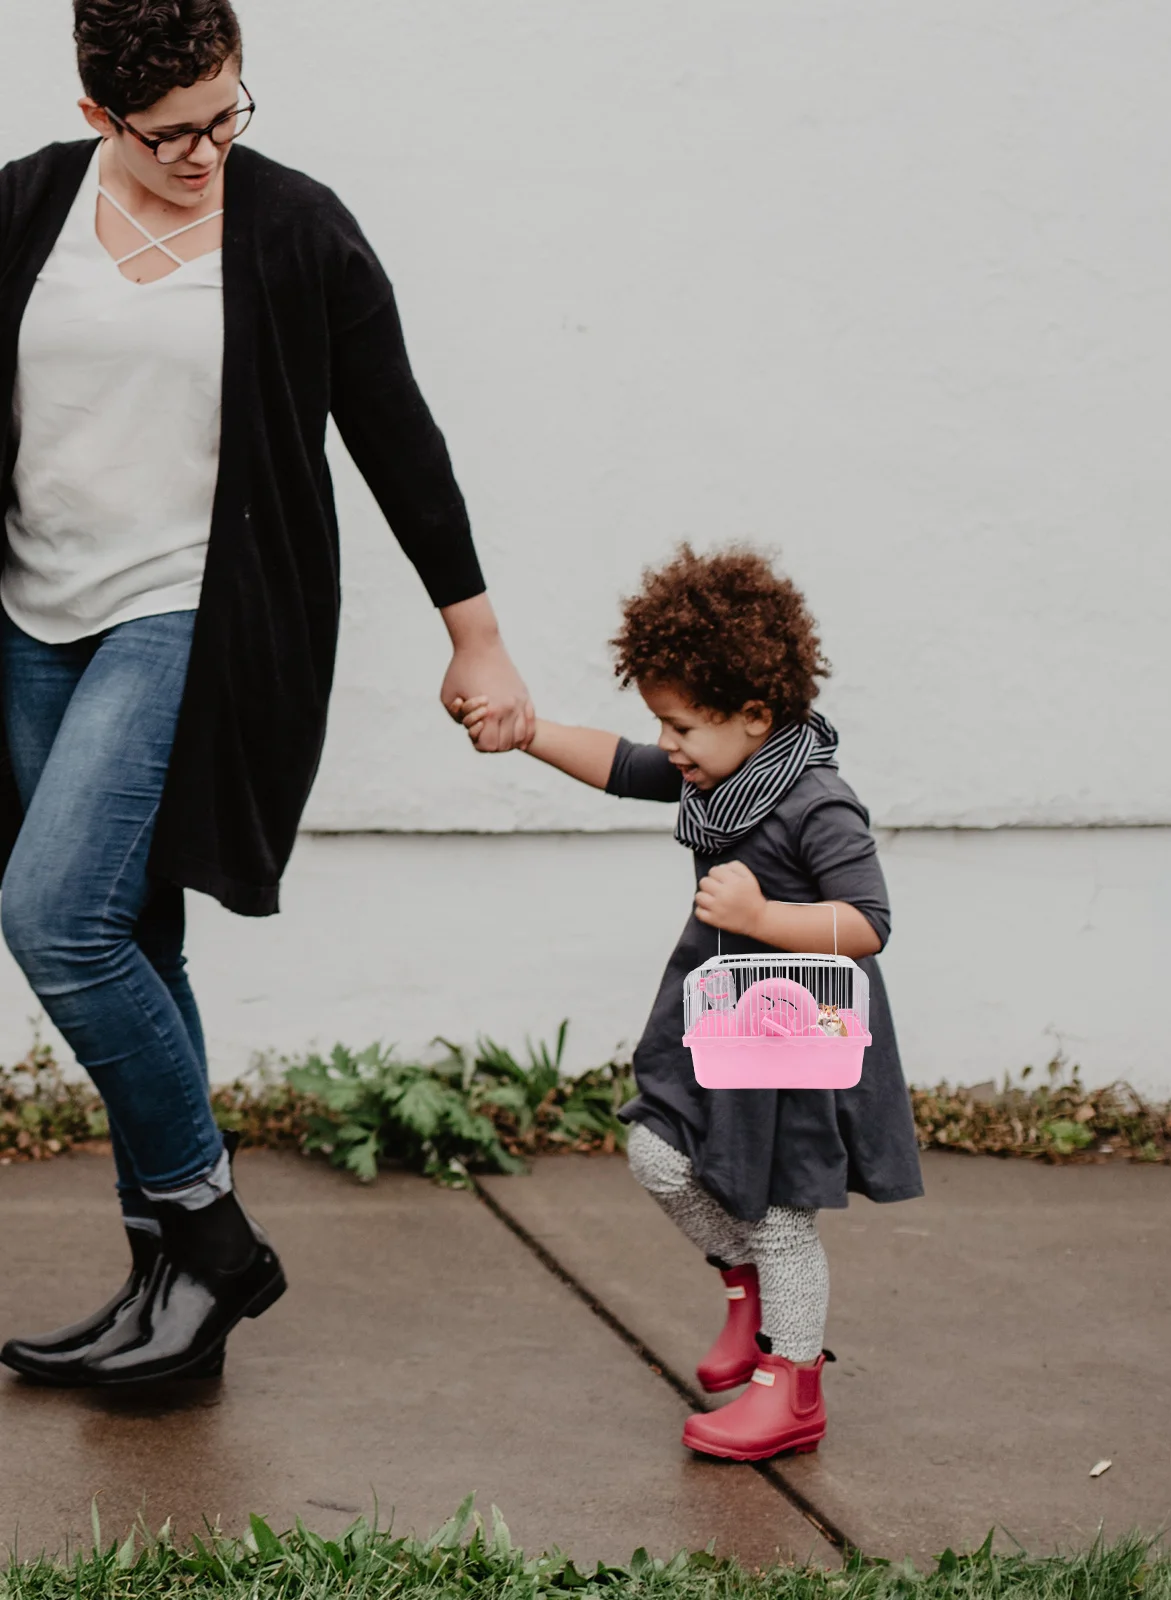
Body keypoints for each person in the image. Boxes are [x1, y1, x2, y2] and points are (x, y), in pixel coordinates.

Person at [0, 0, 533, 1388]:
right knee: (135, 937)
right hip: (27, 616)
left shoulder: (295, 228)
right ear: (96, 119)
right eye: (171, 132)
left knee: (54, 921)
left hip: (191, 614)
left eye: (229, 115)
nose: (206, 151)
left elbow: (397, 432)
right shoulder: (23, 211)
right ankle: (165, 1302)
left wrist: (474, 637)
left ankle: (211, 1233)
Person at [459, 546, 923, 1460]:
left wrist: (763, 914)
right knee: (657, 1152)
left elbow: (868, 924)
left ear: (756, 716)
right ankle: (745, 1297)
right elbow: (622, 763)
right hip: (718, 1026)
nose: (669, 744)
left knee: (778, 1212)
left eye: (683, 726)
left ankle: (792, 1386)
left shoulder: (816, 802)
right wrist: (526, 729)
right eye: (662, 723)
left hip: (791, 1040)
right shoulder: (719, 777)